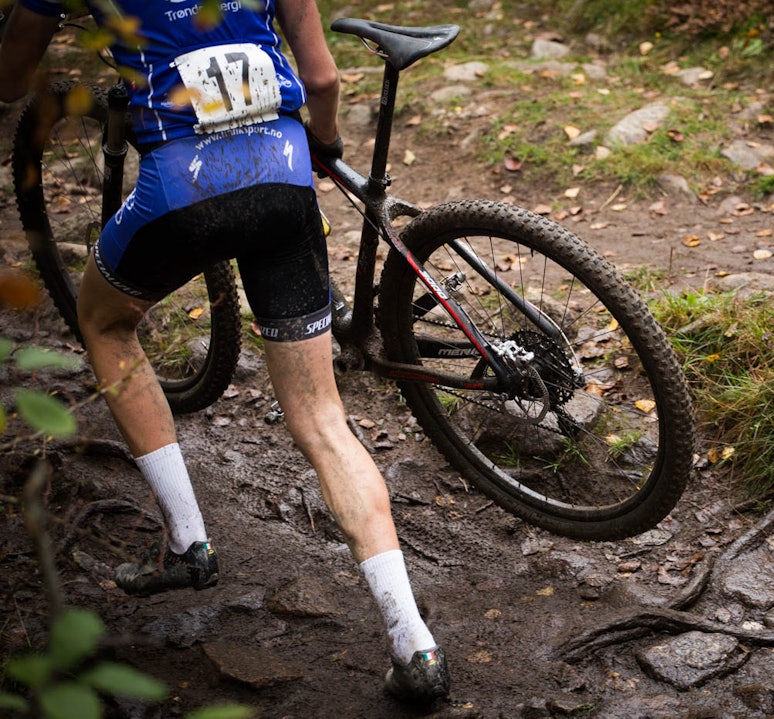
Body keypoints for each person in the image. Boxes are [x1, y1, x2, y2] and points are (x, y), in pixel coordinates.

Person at [0, 0, 449, 702]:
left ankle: (188, 541)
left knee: (106, 324)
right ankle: (413, 642)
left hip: (182, 190)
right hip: (284, 180)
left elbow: (11, 74)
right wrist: (323, 142)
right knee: (324, 422)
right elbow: (322, 80)